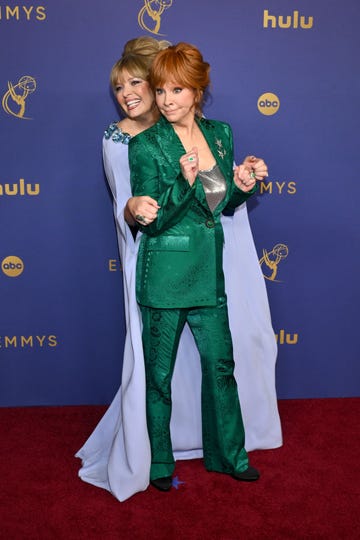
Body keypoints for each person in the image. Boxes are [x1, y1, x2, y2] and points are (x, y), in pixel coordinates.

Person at [76, 37, 282, 501]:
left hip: (209, 272)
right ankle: (161, 462)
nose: (166, 101)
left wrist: (243, 185)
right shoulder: (146, 145)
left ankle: (230, 456)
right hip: (164, 274)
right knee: (159, 378)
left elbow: (218, 203)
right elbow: (155, 219)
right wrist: (179, 184)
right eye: (161, 91)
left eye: (176, 91)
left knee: (221, 368)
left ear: (197, 92)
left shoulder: (218, 136)